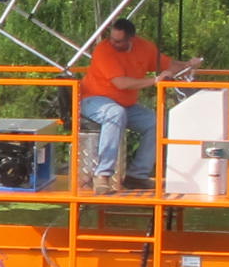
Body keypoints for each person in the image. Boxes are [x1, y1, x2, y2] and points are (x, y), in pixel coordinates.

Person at [79, 16, 202, 192]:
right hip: (93, 100)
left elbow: (169, 65)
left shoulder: (145, 48)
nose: (113, 43)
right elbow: (121, 83)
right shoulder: (103, 50)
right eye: (112, 39)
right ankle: (103, 175)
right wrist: (154, 80)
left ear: (131, 39)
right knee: (115, 113)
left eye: (119, 41)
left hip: (124, 105)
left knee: (157, 123)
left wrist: (188, 65)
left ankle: (137, 175)